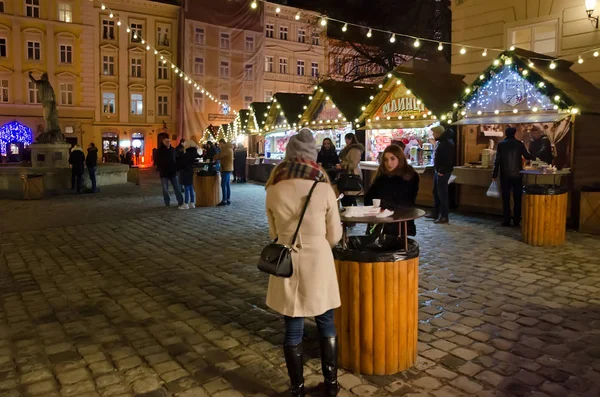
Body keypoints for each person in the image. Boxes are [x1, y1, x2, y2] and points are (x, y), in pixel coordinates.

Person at [265, 128, 343, 397]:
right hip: (318, 260)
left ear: (288, 154)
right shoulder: (323, 187)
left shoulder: (274, 187)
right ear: (313, 157)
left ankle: (297, 389)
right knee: (326, 321)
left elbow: (273, 234)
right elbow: (335, 234)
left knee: (293, 326)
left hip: (289, 262)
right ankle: (331, 385)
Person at [365, 145, 420, 236]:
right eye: (386, 160)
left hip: (400, 221)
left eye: (392, 159)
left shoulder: (410, 176)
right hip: (379, 221)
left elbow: (405, 201)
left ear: (400, 158)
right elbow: (369, 197)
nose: (389, 163)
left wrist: (383, 204)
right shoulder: (381, 176)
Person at [493, 127, 535, 227]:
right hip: (517, 175)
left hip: (505, 175)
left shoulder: (501, 144)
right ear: (514, 133)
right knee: (517, 198)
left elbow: (497, 161)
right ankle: (516, 220)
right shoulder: (519, 144)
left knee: (506, 198)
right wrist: (535, 154)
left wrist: (494, 174)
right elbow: (527, 156)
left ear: (505, 133)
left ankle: (506, 220)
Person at [426, 126, 455, 224]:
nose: (433, 135)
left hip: (443, 172)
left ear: (439, 133)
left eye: (434, 133)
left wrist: (441, 171)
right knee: (436, 192)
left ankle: (444, 216)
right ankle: (435, 212)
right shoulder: (443, 142)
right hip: (439, 171)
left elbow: (449, 159)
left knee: (442, 194)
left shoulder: (446, 143)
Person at [155, 136, 184, 208]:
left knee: (177, 188)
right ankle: (167, 203)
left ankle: (180, 202)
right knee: (165, 189)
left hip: (173, 172)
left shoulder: (173, 150)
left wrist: (177, 167)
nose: (168, 143)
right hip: (164, 173)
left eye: (169, 141)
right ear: (163, 142)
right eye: (166, 142)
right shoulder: (160, 151)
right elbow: (157, 160)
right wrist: (160, 167)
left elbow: (177, 159)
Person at [336, 133, 364, 207]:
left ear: (351, 139)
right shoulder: (349, 148)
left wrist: (342, 166)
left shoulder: (354, 149)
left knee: (350, 195)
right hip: (347, 173)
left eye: (347, 139)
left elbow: (353, 163)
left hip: (351, 174)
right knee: (347, 196)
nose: (346, 141)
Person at [177, 140, 201, 210]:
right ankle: (192, 202)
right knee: (190, 187)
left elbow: (181, 163)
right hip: (191, 171)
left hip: (185, 171)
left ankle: (186, 203)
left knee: (186, 187)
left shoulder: (186, 154)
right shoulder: (195, 152)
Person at [214, 139, 234, 206]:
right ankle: (228, 199)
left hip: (225, 168)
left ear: (222, 143)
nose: (219, 145)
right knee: (227, 185)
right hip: (228, 168)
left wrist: (214, 156)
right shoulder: (229, 149)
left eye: (219, 144)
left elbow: (219, 156)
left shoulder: (226, 149)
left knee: (223, 185)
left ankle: (224, 200)